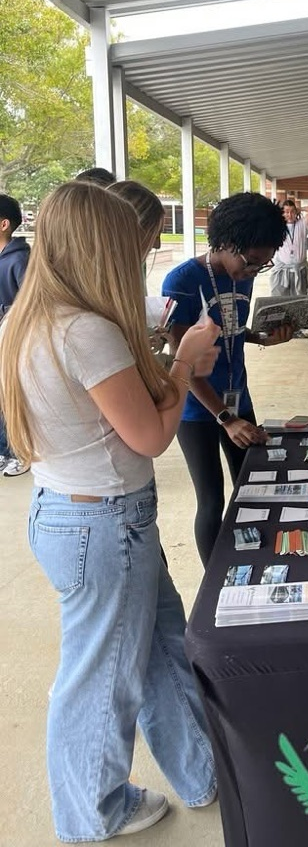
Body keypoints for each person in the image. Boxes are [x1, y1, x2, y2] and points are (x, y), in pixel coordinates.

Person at [0, 182, 221, 841]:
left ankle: (200, 769)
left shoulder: (26, 319)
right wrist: (183, 362)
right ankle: (93, 812)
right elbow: (152, 436)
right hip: (104, 523)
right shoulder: (85, 331)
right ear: (105, 247)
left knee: (158, 650)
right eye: (134, 245)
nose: (144, 255)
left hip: (79, 513)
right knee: (100, 681)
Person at [163, 192, 292, 567]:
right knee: (212, 500)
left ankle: (256, 560)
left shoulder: (243, 276)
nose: (253, 271)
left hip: (239, 398)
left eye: (263, 265)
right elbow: (184, 362)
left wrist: (264, 337)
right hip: (198, 410)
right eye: (251, 262)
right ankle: (214, 579)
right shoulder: (183, 281)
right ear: (225, 243)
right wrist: (226, 418)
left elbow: (231, 328)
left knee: (253, 487)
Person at [0, 193, 31, 477]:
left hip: (14, 342)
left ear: (4, 224)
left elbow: (29, 303)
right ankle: (3, 451)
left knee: (11, 398)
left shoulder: (21, 259)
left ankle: (17, 452)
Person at [269, 198, 308, 297]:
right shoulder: (277, 226)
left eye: (292, 211)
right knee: (279, 299)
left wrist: (299, 209)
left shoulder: (303, 224)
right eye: (286, 212)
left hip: (299, 270)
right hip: (282, 271)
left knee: (299, 300)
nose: (290, 215)